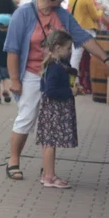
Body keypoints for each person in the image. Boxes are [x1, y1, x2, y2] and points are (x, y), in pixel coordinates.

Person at [3, 0, 109, 181]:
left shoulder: (62, 15)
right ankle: (13, 160)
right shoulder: (23, 14)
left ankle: (47, 169)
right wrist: (15, 79)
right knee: (27, 117)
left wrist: (105, 58)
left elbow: (83, 38)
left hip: (56, 71)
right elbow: (12, 49)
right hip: (32, 73)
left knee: (51, 118)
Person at [36, 30, 79, 189]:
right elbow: (50, 90)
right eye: (68, 49)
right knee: (50, 143)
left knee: (49, 143)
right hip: (54, 110)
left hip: (51, 109)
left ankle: (46, 174)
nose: (69, 52)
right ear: (57, 48)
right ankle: (49, 176)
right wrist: (70, 92)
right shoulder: (54, 67)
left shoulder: (57, 65)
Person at [67, 0, 99, 94]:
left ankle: (71, 82)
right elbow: (95, 16)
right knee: (96, 56)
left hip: (76, 30)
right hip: (87, 30)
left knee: (75, 58)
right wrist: (100, 10)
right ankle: (95, 82)